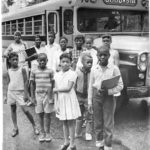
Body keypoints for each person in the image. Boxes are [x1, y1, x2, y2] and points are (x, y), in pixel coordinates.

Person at [88, 46, 123, 150]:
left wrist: (109, 91)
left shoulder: (114, 68)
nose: (102, 57)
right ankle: (100, 144)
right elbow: (90, 86)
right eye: (100, 55)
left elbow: (120, 85)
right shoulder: (94, 68)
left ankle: (108, 145)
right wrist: (89, 102)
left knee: (108, 123)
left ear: (109, 55)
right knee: (98, 122)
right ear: (97, 56)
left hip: (108, 97)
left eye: (105, 55)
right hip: (96, 97)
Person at [5, 52, 39, 137]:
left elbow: (26, 81)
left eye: (17, 59)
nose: (15, 61)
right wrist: (6, 95)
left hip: (20, 93)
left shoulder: (22, 69)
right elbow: (8, 82)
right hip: (11, 92)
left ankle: (34, 126)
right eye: (13, 60)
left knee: (26, 111)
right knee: (13, 109)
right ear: (9, 61)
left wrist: (26, 94)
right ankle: (15, 128)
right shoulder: (8, 70)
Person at [53, 53, 81, 150]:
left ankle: (72, 144)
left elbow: (68, 88)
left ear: (70, 63)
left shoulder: (73, 73)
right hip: (61, 100)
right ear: (60, 63)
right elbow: (55, 90)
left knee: (71, 122)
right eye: (63, 62)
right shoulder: (56, 75)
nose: (65, 64)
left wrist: (56, 90)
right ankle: (66, 142)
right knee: (64, 122)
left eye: (67, 62)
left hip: (69, 99)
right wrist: (56, 104)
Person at [30, 53, 54, 142]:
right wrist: (32, 97)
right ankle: (42, 132)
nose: (42, 62)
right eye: (41, 60)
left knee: (48, 115)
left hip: (47, 95)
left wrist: (51, 96)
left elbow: (52, 83)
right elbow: (32, 85)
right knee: (40, 114)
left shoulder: (50, 71)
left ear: (47, 61)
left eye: (44, 60)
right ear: (38, 61)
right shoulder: (34, 71)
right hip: (38, 95)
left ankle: (48, 133)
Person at [75, 52, 93, 141]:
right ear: (82, 62)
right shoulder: (77, 72)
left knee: (89, 116)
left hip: (88, 98)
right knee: (79, 115)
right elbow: (74, 85)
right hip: (79, 96)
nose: (90, 64)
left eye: (91, 62)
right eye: (88, 62)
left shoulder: (93, 73)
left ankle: (88, 133)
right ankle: (77, 132)